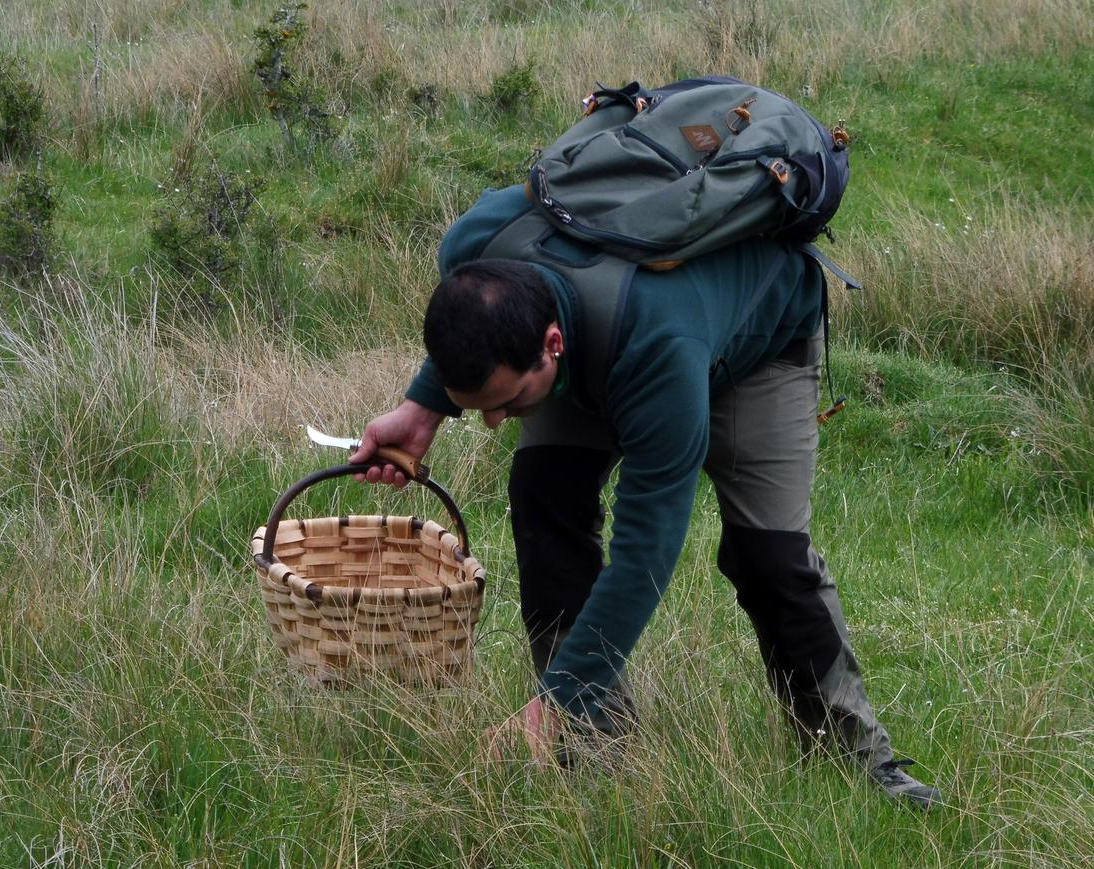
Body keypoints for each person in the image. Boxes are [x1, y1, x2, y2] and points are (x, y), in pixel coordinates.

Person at [351, 185, 940, 809]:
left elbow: (644, 559)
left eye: (509, 403)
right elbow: (477, 336)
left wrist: (555, 697)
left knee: (768, 558)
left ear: (551, 343)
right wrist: (424, 407)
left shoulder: (659, 351)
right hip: (613, 341)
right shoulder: (474, 250)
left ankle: (862, 765)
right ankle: (597, 755)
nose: (496, 423)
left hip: (752, 349)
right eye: (483, 407)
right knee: (543, 496)